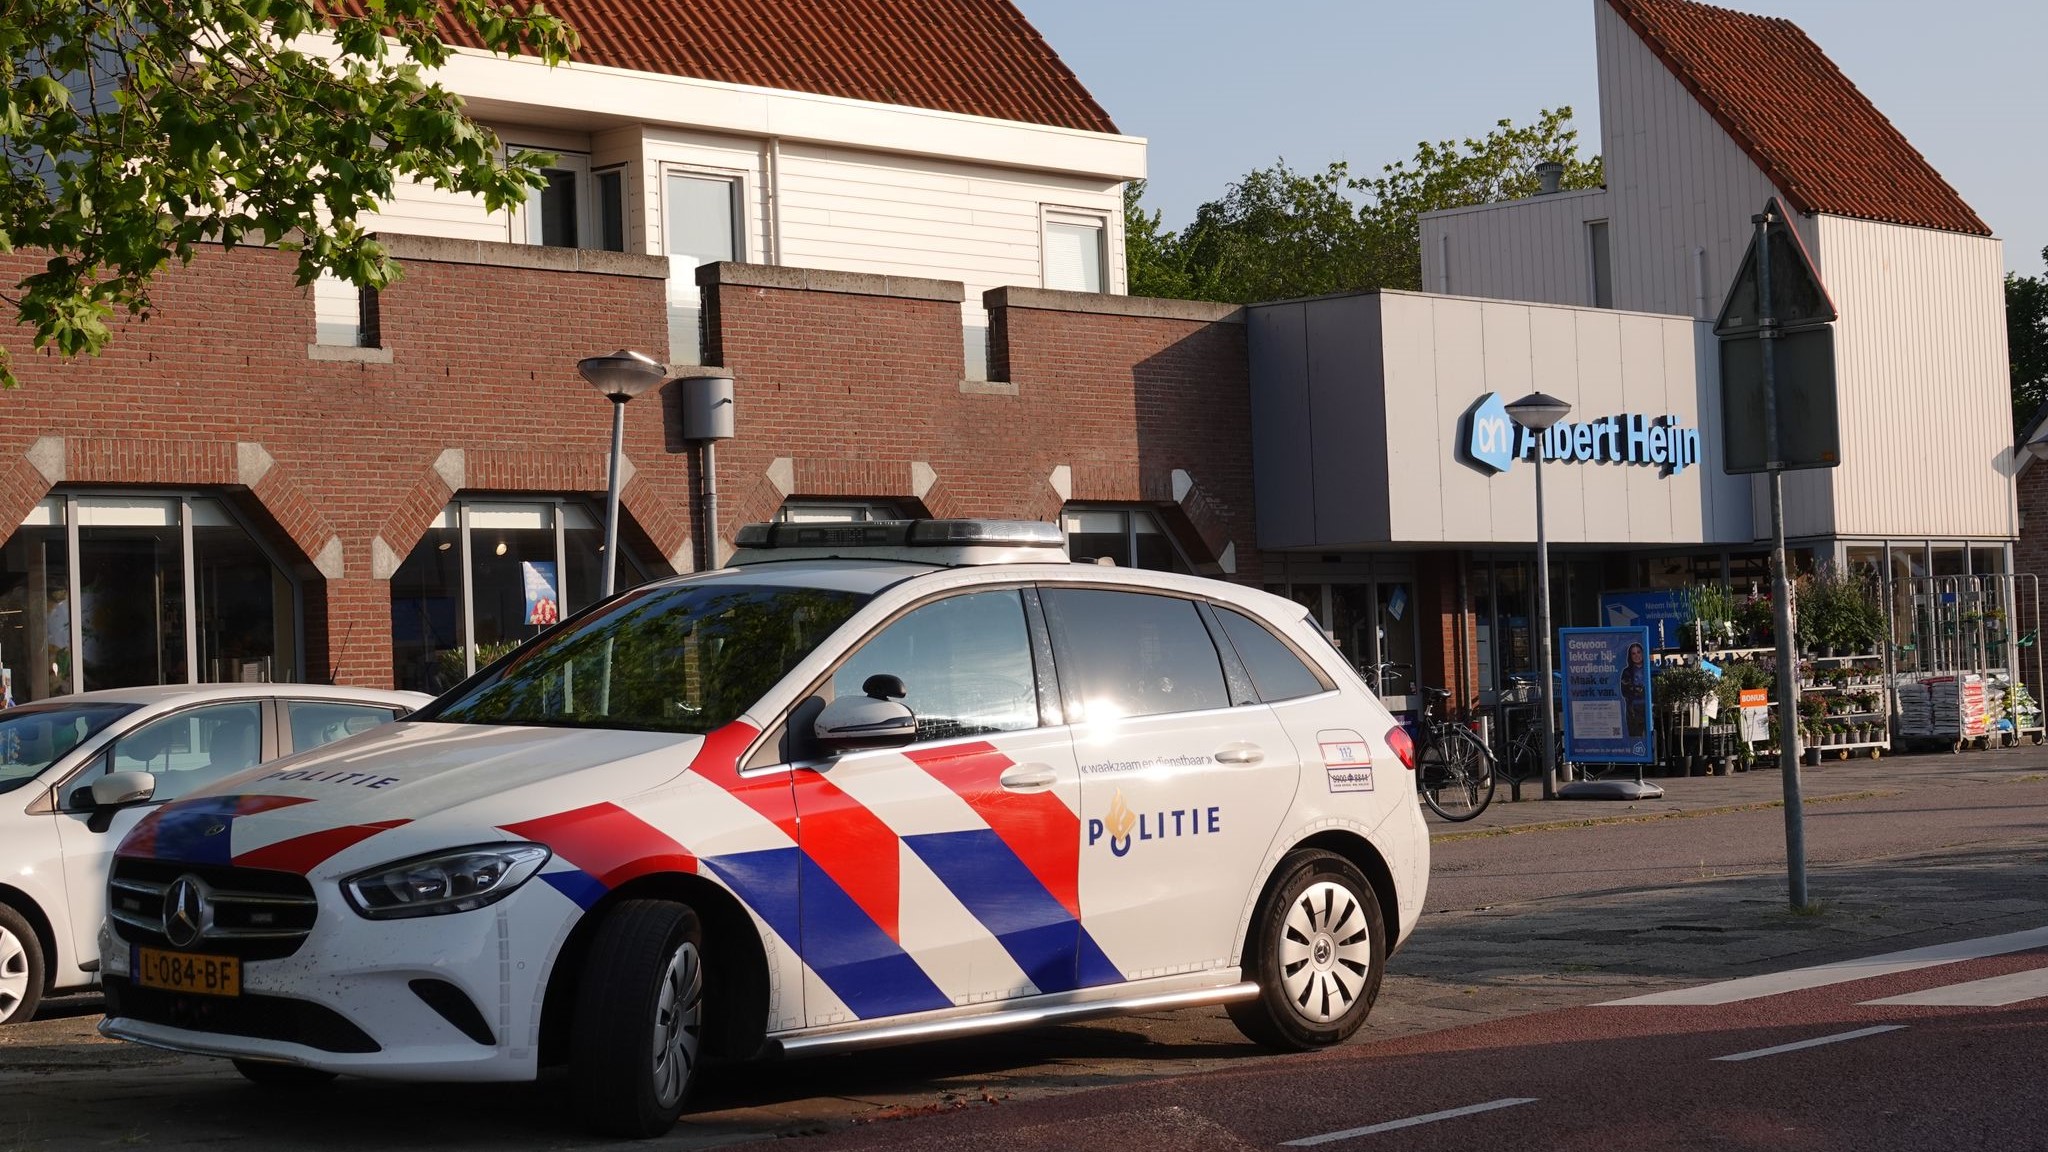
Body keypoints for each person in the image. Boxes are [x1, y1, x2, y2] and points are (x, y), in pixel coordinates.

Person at [1622, 642, 1648, 739]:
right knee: (1636, 739)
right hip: (1634, 711)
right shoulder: (1627, 672)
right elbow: (1624, 691)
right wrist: (1636, 690)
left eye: (1638, 652)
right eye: (1633, 653)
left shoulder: (1650, 669)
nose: (1637, 655)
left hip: (1648, 709)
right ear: (1630, 656)